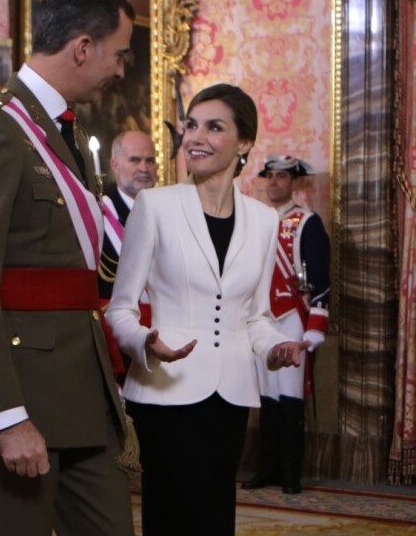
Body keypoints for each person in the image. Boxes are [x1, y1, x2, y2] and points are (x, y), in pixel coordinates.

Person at [0, 0, 136, 536]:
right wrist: (6, 417)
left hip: (80, 392)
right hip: (20, 397)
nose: (121, 70)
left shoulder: (64, 130)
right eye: (118, 55)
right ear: (82, 47)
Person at [106, 83, 311, 536]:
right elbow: (119, 309)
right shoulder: (154, 206)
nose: (195, 137)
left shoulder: (263, 219)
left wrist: (275, 347)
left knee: (216, 515)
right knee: (174, 514)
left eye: (213, 127)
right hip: (166, 390)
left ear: (243, 143)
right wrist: (144, 341)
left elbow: (254, 317)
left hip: (232, 395)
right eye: (191, 126)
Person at [242, 155, 330, 494]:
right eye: (270, 176)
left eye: (282, 176)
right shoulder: (255, 220)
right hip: (260, 318)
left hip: (292, 316)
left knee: (290, 396)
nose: (275, 182)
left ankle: (292, 475)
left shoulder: (307, 222)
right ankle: (267, 469)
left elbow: (320, 277)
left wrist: (315, 328)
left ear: (294, 182)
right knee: (267, 398)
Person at [99, 131, 158, 378]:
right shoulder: (98, 211)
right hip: (113, 337)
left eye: (150, 160)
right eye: (135, 160)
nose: (144, 168)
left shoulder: (167, 208)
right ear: (115, 164)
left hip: (160, 328)